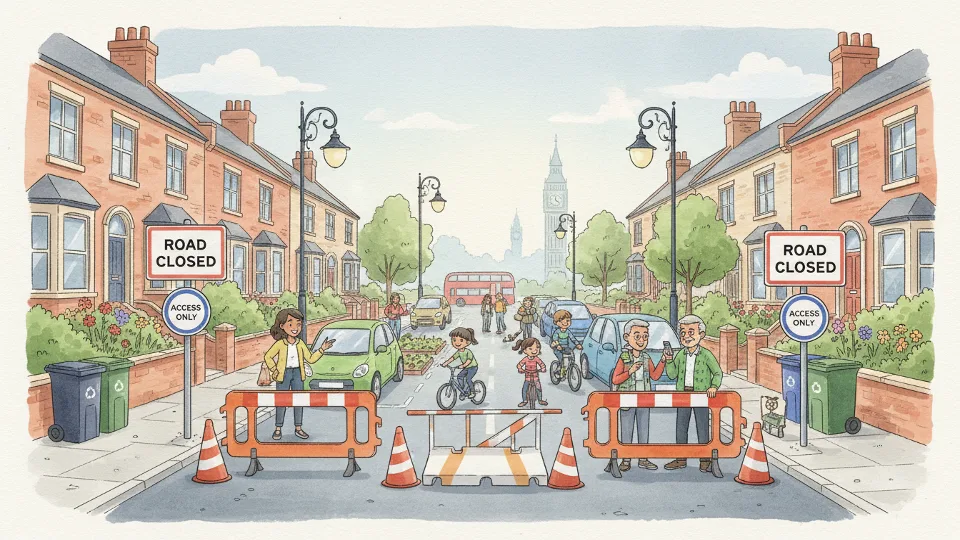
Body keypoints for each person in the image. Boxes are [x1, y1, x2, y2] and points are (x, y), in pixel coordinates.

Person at [662, 314, 723, 473]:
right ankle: (681, 458)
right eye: (683, 333)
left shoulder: (706, 355)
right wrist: (668, 360)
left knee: (702, 427)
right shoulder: (680, 354)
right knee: (681, 427)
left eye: (691, 332)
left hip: (701, 396)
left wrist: (713, 387)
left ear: (701, 335)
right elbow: (672, 375)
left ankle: (704, 460)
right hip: (683, 395)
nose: (686, 336)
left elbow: (717, 373)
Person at [263, 308, 334, 440]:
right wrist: (274, 370)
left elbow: (311, 358)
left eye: (298, 324)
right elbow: (268, 357)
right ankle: (278, 428)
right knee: (281, 401)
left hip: (297, 374)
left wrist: (322, 349)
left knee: (298, 401)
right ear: (282, 326)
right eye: (291, 324)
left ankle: (298, 428)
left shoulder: (300, 344)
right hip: (283, 375)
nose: (295, 327)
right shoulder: (280, 344)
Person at [611, 319, 665, 472]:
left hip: (644, 399)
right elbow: (615, 379)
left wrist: (662, 361)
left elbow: (654, 376)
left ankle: (643, 458)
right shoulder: (624, 357)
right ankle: (626, 459)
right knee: (626, 430)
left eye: (645, 336)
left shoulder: (646, 357)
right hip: (627, 399)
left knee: (644, 430)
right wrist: (630, 371)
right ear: (627, 337)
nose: (642, 341)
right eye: (637, 336)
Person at [442, 327, 480, 400]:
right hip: (466, 368)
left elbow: (469, 360)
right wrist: (445, 363)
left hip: (472, 367)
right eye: (454, 340)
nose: (457, 343)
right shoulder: (459, 352)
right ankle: (464, 391)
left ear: (468, 342)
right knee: (459, 376)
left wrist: (463, 365)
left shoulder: (468, 352)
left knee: (468, 379)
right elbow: (453, 358)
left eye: (461, 340)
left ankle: (472, 392)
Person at [514, 337, 548, 407]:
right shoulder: (525, 359)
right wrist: (520, 369)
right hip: (527, 376)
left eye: (537, 349)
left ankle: (540, 399)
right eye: (530, 349)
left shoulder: (536, 359)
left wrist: (543, 368)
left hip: (535, 376)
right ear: (525, 351)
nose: (534, 351)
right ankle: (524, 400)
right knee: (525, 389)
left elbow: (542, 364)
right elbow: (519, 365)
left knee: (538, 388)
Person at [550, 309, 582, 377]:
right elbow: (555, 339)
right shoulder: (557, 332)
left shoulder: (568, 331)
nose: (568, 322)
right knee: (562, 360)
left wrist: (577, 344)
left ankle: (570, 368)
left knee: (571, 357)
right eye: (566, 320)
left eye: (569, 320)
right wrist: (558, 345)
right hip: (558, 348)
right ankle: (559, 370)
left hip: (566, 348)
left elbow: (573, 338)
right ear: (558, 322)